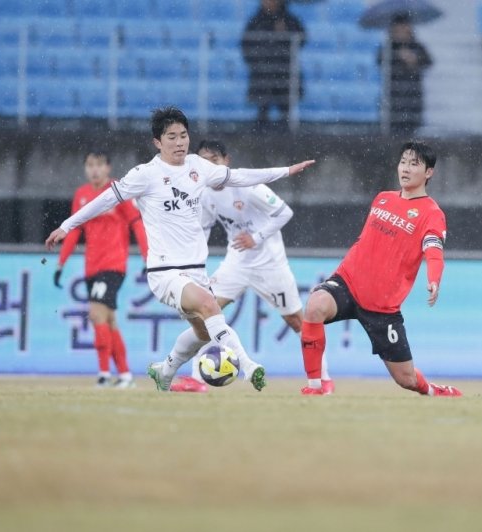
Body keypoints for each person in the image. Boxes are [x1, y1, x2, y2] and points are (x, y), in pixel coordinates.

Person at [45, 107, 315, 393]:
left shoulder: (198, 166)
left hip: (195, 271)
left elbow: (239, 176)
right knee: (210, 306)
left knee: (201, 332)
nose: (179, 142)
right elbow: (106, 200)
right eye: (171, 137)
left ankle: (165, 370)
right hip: (165, 272)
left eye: (183, 135)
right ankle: (248, 367)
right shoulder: (145, 174)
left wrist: (285, 171)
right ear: (157, 142)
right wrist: (67, 225)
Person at [168, 139, 334, 394]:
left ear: (226, 162)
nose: (209, 166)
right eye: (203, 161)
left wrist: (255, 237)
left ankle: (323, 379)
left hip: (270, 264)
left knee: (297, 321)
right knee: (205, 311)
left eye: (214, 160)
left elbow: (284, 212)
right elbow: (203, 226)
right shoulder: (204, 193)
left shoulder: (248, 186)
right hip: (236, 264)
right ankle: (197, 380)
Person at [299, 141, 461, 397]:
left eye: (414, 164)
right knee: (315, 305)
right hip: (348, 283)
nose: (405, 169)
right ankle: (316, 387)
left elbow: (433, 250)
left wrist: (434, 279)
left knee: (406, 379)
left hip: (382, 307)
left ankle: (432, 390)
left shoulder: (432, 213)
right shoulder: (382, 198)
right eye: (403, 162)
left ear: (429, 173)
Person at [55, 150, 148, 388]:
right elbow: (75, 229)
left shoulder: (119, 191)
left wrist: (148, 257)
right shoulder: (82, 195)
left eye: (98, 165)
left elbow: (137, 223)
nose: (94, 170)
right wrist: (61, 262)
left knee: (96, 314)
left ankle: (104, 374)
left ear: (108, 168)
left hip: (114, 264)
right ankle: (126, 375)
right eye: (89, 165)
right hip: (91, 266)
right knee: (109, 319)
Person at [241, 0, 306, 130]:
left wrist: (286, 31)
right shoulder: (256, 21)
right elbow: (246, 45)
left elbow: (302, 38)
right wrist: (259, 62)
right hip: (263, 74)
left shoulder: (288, 19)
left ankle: (285, 138)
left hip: (284, 73)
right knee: (262, 111)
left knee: (285, 112)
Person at [378, 14, 433, 133]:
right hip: (394, 98)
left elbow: (428, 62)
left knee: (412, 131)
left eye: (405, 28)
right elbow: (379, 61)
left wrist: (414, 59)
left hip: (413, 97)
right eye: (398, 29)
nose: (402, 32)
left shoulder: (418, 47)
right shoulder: (388, 48)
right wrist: (397, 56)